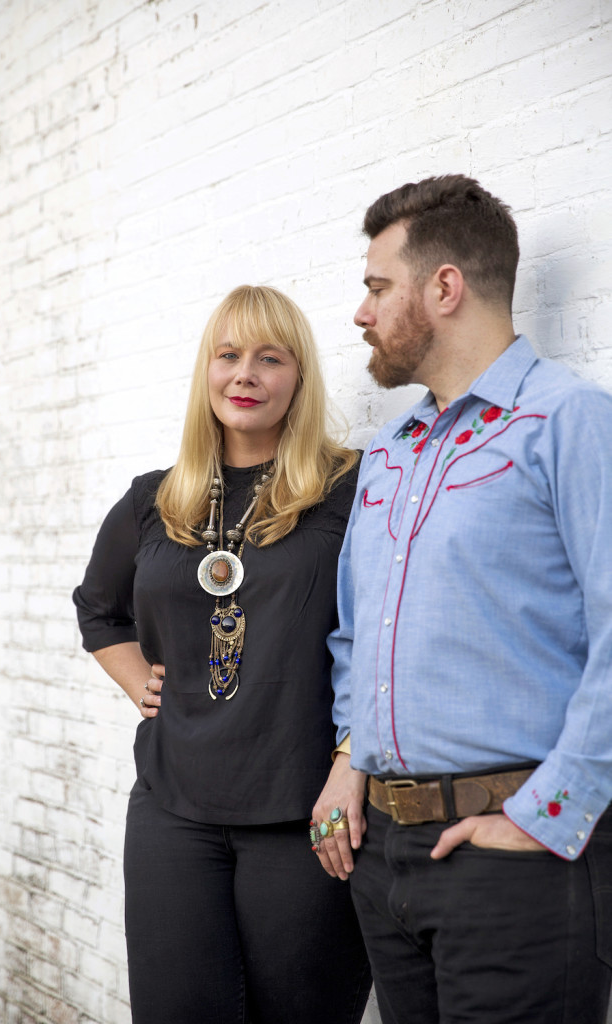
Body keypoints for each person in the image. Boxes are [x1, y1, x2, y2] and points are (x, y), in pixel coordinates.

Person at [312, 175, 612, 1024]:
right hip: (385, 858)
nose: (361, 313)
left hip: (517, 858)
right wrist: (348, 763)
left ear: (444, 287)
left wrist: (542, 820)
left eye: (376, 287)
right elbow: (355, 636)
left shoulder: (569, 422)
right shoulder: (390, 453)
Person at [73, 285, 371, 1024]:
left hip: (301, 813)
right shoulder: (156, 499)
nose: (246, 374)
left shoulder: (351, 489)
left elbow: (393, 635)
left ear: (298, 378)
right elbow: (97, 608)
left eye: (270, 358)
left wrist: (349, 764)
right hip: (173, 812)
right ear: (205, 371)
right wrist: (138, 680)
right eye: (229, 355)